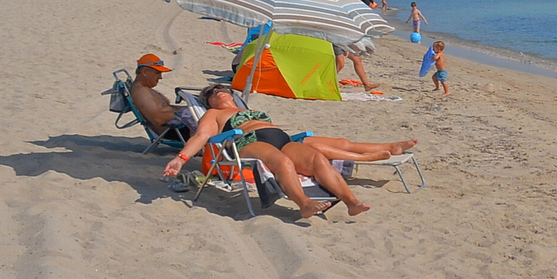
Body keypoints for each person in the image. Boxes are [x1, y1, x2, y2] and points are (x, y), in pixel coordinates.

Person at [163, 85, 412, 219]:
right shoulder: (214, 114)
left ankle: (351, 202)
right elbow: (202, 136)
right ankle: (304, 204)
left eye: (220, 88)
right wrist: (181, 158)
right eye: (210, 93)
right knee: (280, 160)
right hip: (246, 140)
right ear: (208, 102)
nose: (217, 92)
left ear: (231, 94)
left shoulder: (246, 108)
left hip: (280, 137)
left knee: (316, 159)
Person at [127, 52, 190, 141]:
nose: (160, 77)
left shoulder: (145, 89)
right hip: (172, 131)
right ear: (145, 72)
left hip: (175, 128)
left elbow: (163, 110)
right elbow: (157, 119)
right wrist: (186, 113)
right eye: (157, 73)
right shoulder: (141, 92)